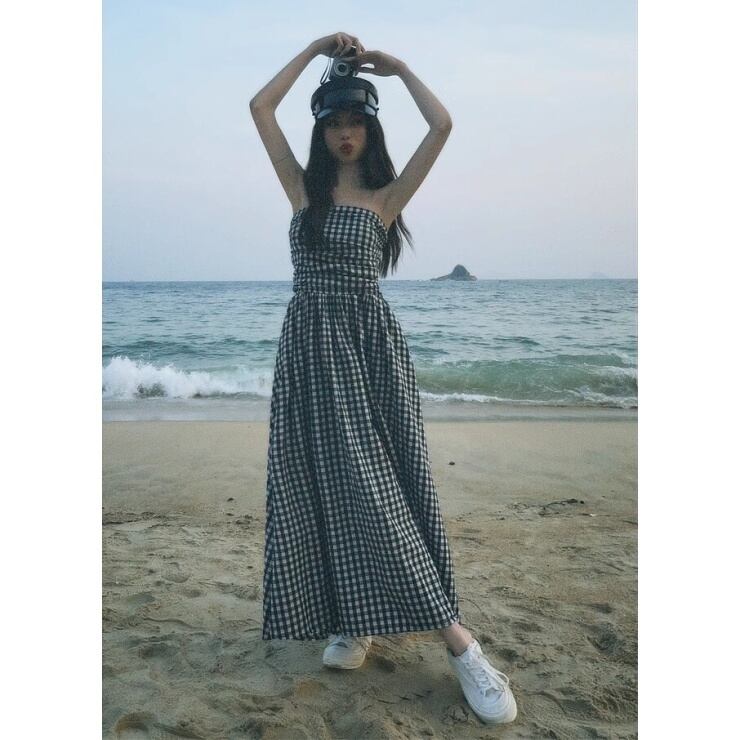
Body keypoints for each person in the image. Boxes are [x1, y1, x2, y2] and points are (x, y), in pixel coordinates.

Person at [249, 32, 517, 725]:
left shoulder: (385, 199)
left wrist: (396, 69)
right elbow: (260, 107)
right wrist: (314, 49)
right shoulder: (302, 190)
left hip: (368, 352)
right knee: (322, 484)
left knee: (381, 485)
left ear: (370, 130)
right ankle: (355, 619)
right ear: (321, 132)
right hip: (308, 352)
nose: (345, 133)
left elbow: (442, 125)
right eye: (334, 122)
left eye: (356, 122)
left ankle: (461, 644)